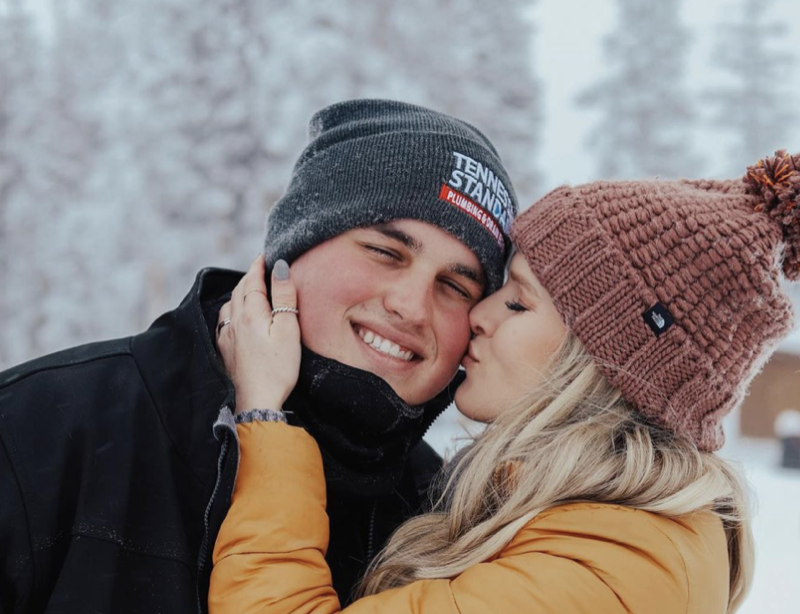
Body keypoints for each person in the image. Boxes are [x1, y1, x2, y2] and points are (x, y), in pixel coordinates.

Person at [208, 150, 800, 613]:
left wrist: (262, 411)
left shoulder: (607, 571)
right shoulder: (596, 528)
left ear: (599, 363)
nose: (479, 315)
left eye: (518, 302)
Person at [0, 100, 518, 613]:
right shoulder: (44, 429)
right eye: (385, 252)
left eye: (456, 287)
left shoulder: (449, 526)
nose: (412, 306)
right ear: (295, 246)